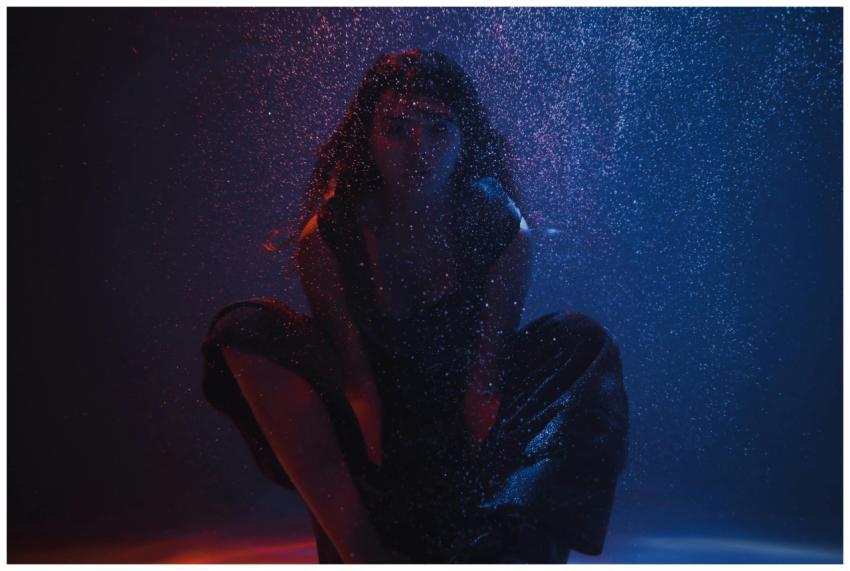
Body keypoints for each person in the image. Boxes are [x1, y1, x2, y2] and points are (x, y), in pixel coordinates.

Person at [201, 49, 629, 563]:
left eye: (437, 129)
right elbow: (358, 381)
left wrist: (475, 496)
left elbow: (484, 384)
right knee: (245, 328)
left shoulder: (502, 231)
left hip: (462, 416)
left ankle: (507, 546)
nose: (418, 149)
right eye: (397, 129)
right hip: (376, 415)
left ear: (464, 141)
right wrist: (379, 484)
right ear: (369, 140)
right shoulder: (331, 235)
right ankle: (366, 555)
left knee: (581, 341)